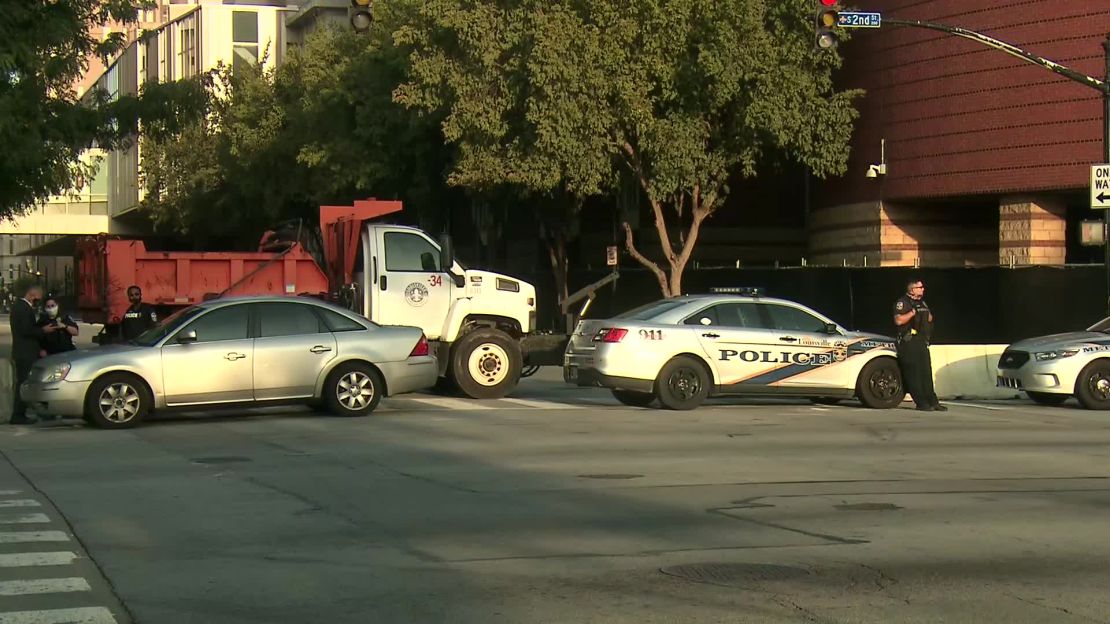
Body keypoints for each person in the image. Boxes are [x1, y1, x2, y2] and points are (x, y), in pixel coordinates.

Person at [893, 277, 946, 412]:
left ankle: (933, 401)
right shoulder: (903, 302)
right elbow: (898, 320)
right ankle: (921, 403)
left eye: (922, 287)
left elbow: (929, 317)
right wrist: (912, 313)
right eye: (920, 287)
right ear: (912, 289)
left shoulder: (922, 303)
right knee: (914, 374)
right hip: (909, 342)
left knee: (926, 372)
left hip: (922, 341)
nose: (922, 289)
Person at [8, 284, 56, 424]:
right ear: (31, 295)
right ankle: (18, 415)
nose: (37, 302)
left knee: (24, 383)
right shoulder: (22, 308)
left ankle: (22, 413)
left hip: (25, 352)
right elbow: (25, 330)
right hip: (24, 353)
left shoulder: (21, 307)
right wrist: (43, 331)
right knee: (23, 384)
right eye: (37, 299)